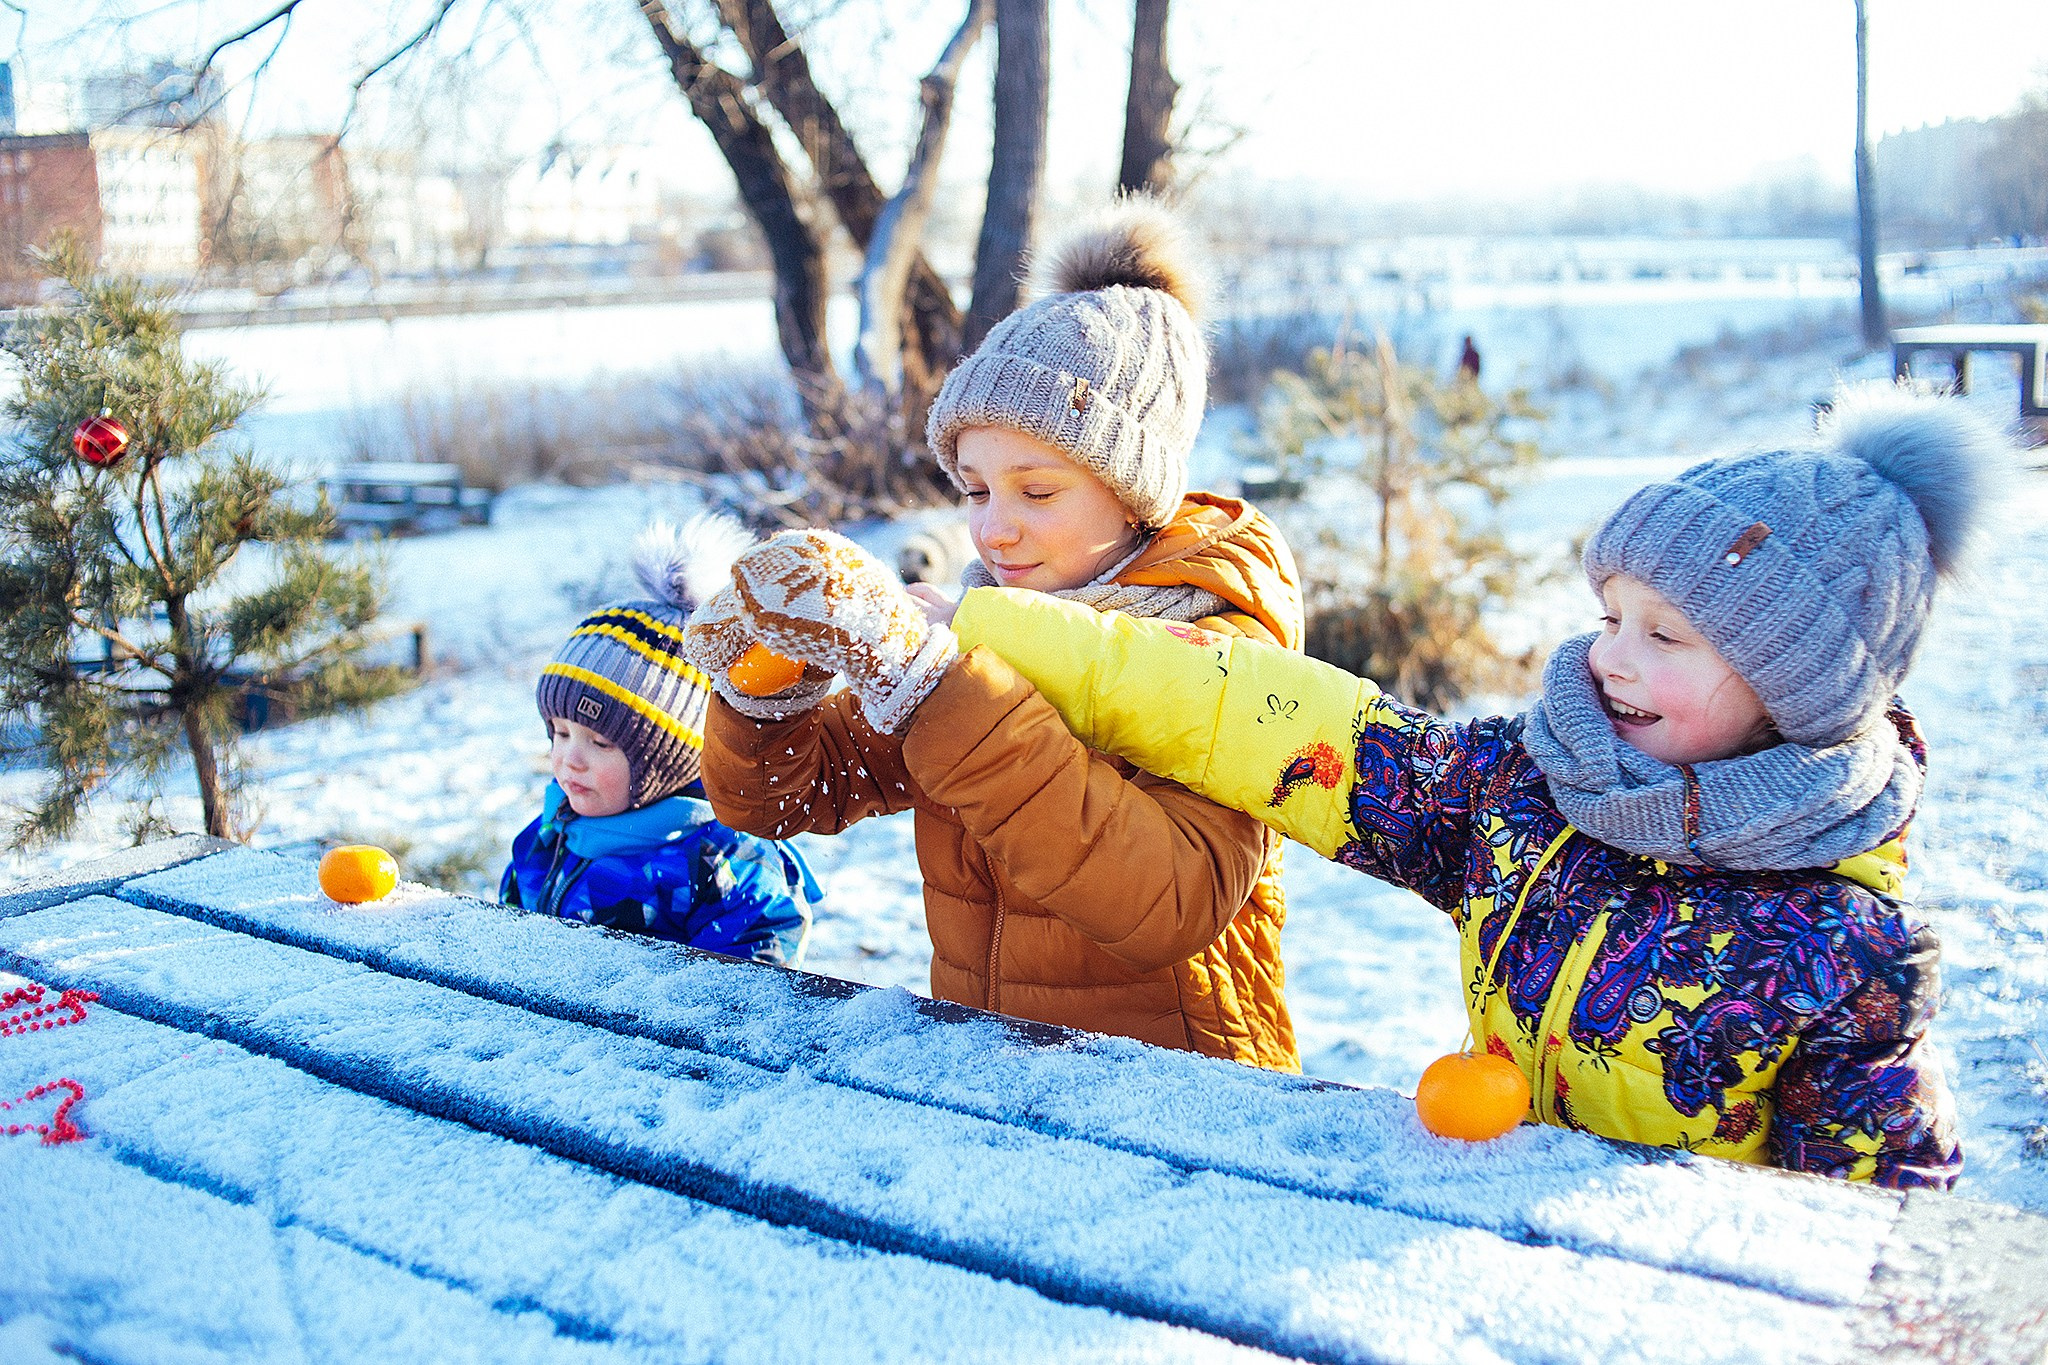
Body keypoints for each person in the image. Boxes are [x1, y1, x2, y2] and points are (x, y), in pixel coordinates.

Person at [713, 382, 2002, 1188]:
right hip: (1480, 1246)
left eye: (1664, 636)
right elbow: (1266, 716)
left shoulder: (1844, 951)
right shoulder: (1523, 791)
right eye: (1609, 615)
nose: (1607, 659)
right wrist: (980, 632)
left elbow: (1873, 1243)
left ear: (1795, 690)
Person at [685, 199, 1304, 1070]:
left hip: (1183, 1100)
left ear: (1135, 492)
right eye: (975, 490)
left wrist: (939, 688)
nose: (993, 530)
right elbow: (788, 798)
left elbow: (1172, 902)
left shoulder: (1220, 647)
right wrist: (773, 672)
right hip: (992, 1085)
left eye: (1036, 492)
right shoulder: (977, 622)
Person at [501, 519, 817, 966]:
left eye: (600, 743)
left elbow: (754, 975)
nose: (570, 759)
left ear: (666, 762)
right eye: (561, 733)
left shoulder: (719, 860)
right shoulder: (547, 837)